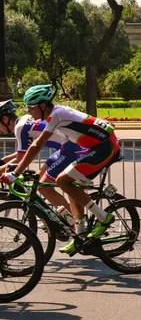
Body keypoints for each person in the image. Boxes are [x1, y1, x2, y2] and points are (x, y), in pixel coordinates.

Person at [0, 85, 121, 254]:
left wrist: (15, 173)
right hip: (96, 146)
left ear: (42, 106)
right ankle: (80, 234)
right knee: (68, 184)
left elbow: (36, 146)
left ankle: (103, 217)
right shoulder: (55, 115)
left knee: (62, 180)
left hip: (103, 147)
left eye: (30, 108)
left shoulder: (56, 115)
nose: (28, 112)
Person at [0, 100, 87, 219]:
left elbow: (20, 158)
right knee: (41, 180)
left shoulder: (19, 128)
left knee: (43, 187)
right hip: (66, 148)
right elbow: (23, 153)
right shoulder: (24, 121)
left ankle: (72, 222)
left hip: (70, 149)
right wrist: (4, 161)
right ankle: (66, 219)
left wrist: (3, 170)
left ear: (5, 119)